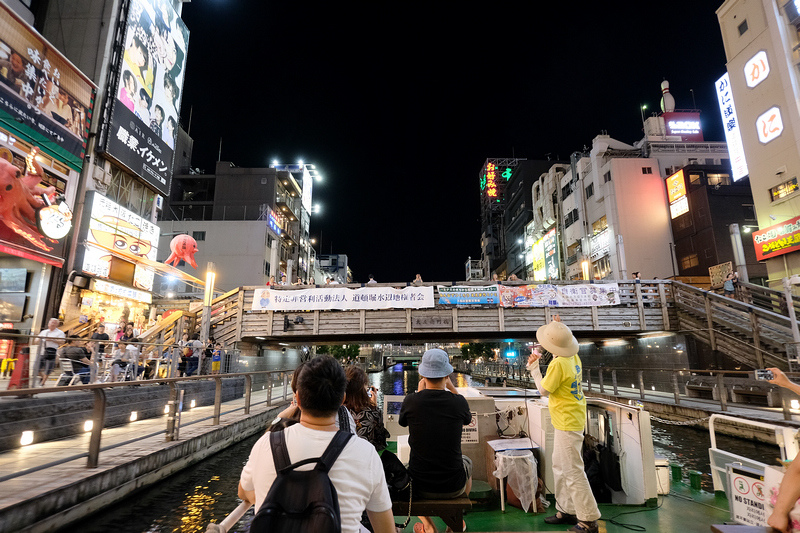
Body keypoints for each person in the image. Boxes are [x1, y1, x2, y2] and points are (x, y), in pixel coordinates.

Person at [238, 355, 395, 533]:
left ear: (298, 396)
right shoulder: (366, 453)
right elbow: (385, 529)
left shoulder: (266, 443)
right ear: (342, 398)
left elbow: (244, 493)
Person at [527, 316, 600, 533]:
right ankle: (566, 509)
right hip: (569, 419)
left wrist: (534, 369)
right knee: (559, 465)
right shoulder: (572, 356)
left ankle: (588, 520)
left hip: (567, 422)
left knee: (573, 470)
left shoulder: (559, 364)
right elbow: (563, 341)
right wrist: (556, 326)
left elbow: (543, 390)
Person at [399, 349, 472, 533]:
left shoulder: (411, 401)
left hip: (420, 485)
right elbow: (467, 418)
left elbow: (402, 422)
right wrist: (451, 387)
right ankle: (453, 523)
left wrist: (420, 392)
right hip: (453, 485)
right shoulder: (458, 402)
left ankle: (429, 526)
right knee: (468, 463)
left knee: (407, 466)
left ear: (422, 374)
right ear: (447, 375)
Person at [344, 365, 388, 451]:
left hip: (344, 455)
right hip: (366, 454)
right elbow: (381, 440)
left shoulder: (338, 411)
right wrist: (374, 407)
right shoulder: (372, 411)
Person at [36, 318, 66, 386]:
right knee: (36, 368)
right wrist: (39, 340)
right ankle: (43, 377)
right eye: (51, 322)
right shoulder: (44, 332)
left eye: (54, 322)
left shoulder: (60, 333)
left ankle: (42, 383)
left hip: (51, 352)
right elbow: (36, 340)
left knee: (48, 368)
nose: (52, 323)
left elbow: (62, 342)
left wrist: (52, 340)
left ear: (57, 324)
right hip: (41, 351)